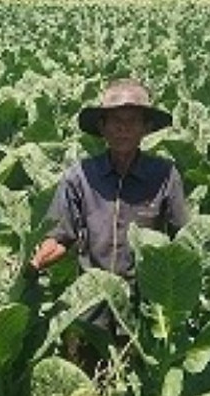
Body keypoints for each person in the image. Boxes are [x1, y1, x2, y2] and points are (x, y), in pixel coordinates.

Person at [28, 78, 189, 373]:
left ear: (145, 128)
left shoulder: (165, 176)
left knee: (138, 395)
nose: (123, 128)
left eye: (132, 121)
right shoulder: (80, 177)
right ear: (102, 128)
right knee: (89, 394)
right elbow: (61, 237)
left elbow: (184, 243)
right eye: (115, 120)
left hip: (145, 315)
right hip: (92, 313)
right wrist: (33, 264)